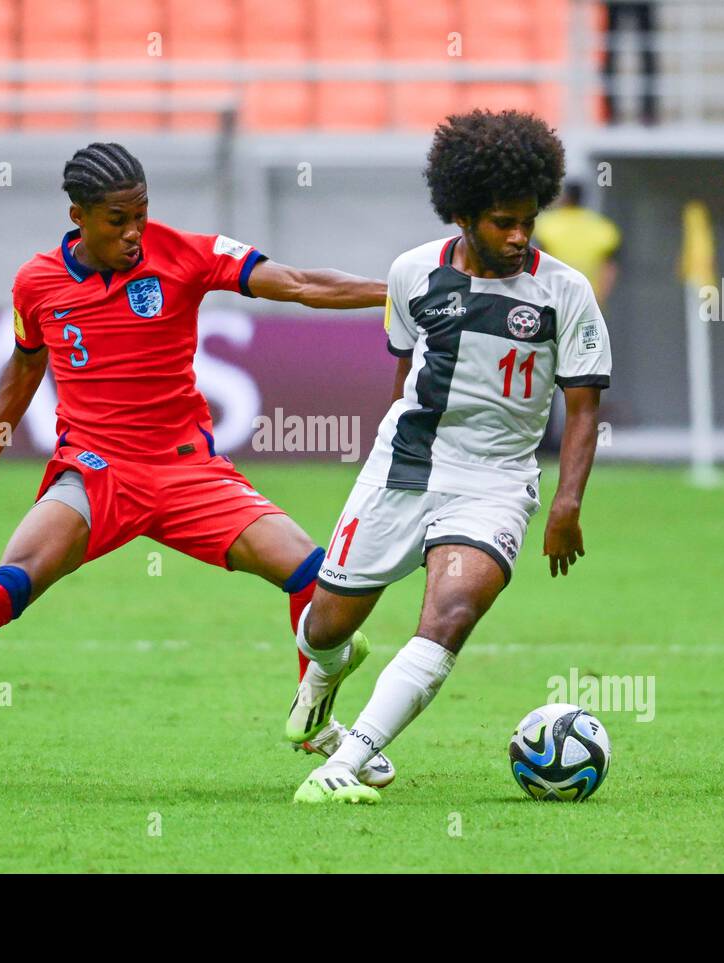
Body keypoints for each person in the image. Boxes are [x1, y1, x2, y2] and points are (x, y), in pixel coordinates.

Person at [0, 142, 395, 788]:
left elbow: (298, 283)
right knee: (9, 582)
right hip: (97, 472)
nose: (134, 233)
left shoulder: (186, 253)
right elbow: (22, 370)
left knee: (314, 576)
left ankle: (318, 723)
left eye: (141, 214)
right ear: (77, 215)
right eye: (116, 219)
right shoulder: (37, 283)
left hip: (189, 472)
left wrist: (399, 291)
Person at [287, 110, 612, 804]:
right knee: (324, 627)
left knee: (451, 614)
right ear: (462, 214)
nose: (520, 235)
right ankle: (318, 688)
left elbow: (583, 408)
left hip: (494, 483)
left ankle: (347, 761)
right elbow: (404, 379)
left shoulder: (565, 292)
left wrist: (567, 501)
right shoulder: (412, 274)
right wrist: (390, 457)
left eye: (529, 219)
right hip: (404, 466)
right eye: (503, 222)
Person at [532, 183, 621, 307]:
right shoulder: (603, 227)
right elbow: (609, 267)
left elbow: (538, 261)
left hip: (554, 297)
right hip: (588, 298)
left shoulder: (546, 224)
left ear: (565, 198)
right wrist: (601, 297)